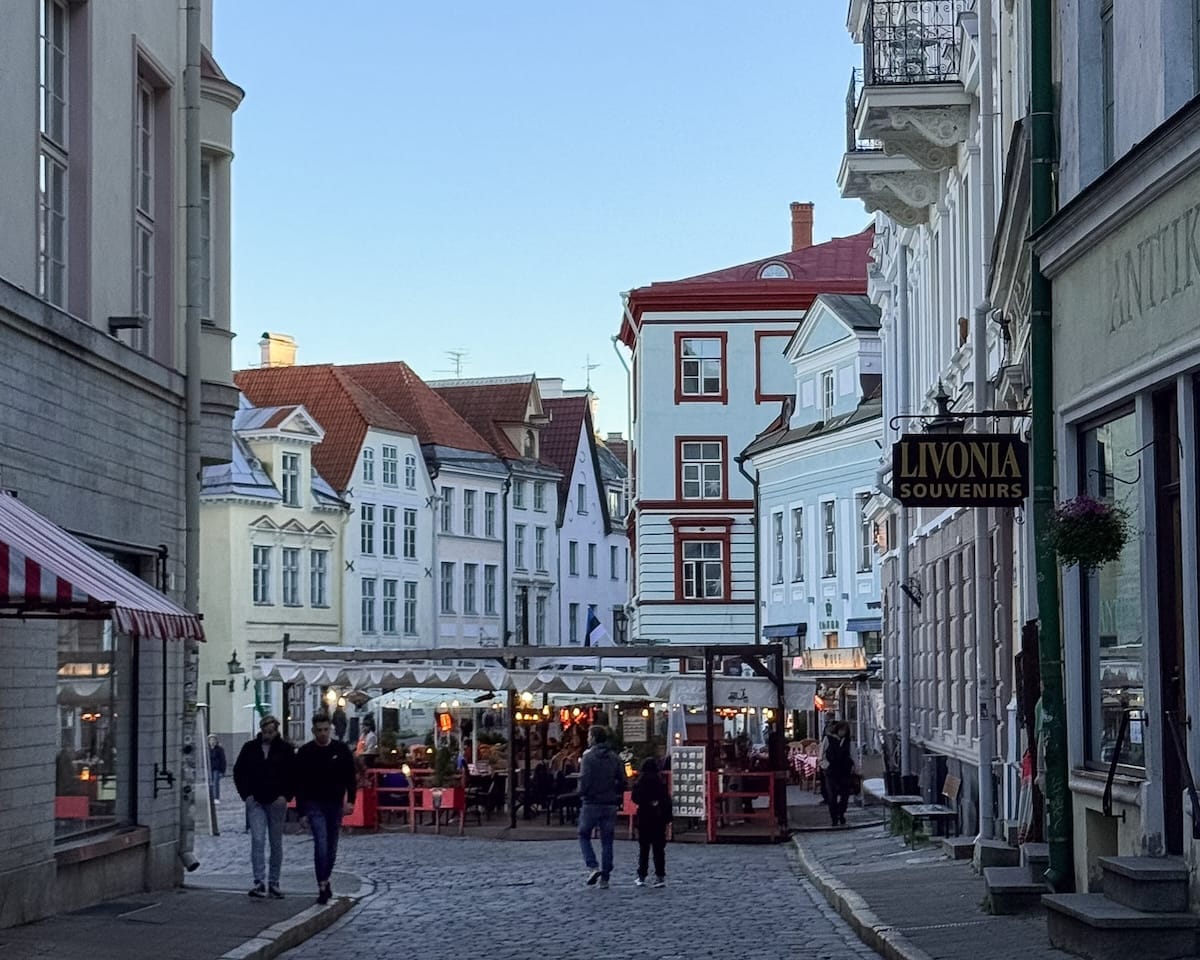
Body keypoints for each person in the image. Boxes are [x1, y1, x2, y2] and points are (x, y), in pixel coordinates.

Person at [294, 711, 357, 904]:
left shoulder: (341, 750)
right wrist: (301, 811)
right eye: (319, 730)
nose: (322, 733)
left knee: (331, 846)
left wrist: (351, 800)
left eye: (325, 730)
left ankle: (326, 878)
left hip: (335, 804)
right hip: (314, 804)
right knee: (320, 843)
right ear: (314, 731)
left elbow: (350, 778)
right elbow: (300, 784)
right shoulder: (306, 752)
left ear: (330, 729)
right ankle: (321, 884)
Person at [233, 714, 294, 899]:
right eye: (265, 731)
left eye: (271, 731)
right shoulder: (250, 748)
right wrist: (247, 796)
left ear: (276, 731)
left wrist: (286, 796)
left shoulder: (285, 749)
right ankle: (259, 881)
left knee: (276, 843)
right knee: (258, 840)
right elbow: (239, 772)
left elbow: (293, 774)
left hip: (277, 802)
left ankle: (274, 882)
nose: (268, 735)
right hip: (256, 802)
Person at [577, 725, 626, 889]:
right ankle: (605, 877)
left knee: (584, 834)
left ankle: (592, 866)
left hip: (591, 802)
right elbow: (623, 780)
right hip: (610, 803)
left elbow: (585, 780)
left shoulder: (588, 757)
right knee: (607, 841)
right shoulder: (614, 757)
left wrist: (581, 793)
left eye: (589, 736)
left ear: (593, 738)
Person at [631, 758, 671, 888]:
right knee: (659, 849)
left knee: (644, 849)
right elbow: (666, 801)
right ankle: (660, 876)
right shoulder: (660, 782)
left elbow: (635, 798)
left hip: (644, 817)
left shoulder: (640, 782)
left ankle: (642, 876)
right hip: (658, 818)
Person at [819, 719, 856, 827]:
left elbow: (853, 756)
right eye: (841, 730)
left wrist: (857, 769)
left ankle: (841, 813)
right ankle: (834, 817)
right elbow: (821, 755)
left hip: (845, 771)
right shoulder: (828, 739)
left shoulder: (849, 742)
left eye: (845, 730)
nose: (842, 732)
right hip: (831, 772)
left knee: (845, 796)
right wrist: (826, 766)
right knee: (832, 796)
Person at [208, 734, 227, 804]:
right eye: (211, 740)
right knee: (210, 783)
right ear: (209, 741)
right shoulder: (207, 749)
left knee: (216, 783)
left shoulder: (219, 749)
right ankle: (210, 798)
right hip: (209, 768)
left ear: (216, 741)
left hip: (216, 768)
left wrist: (222, 771)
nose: (212, 741)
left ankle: (216, 798)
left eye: (214, 740)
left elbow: (223, 760)